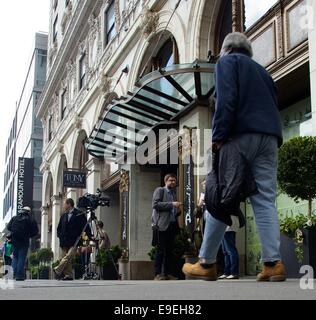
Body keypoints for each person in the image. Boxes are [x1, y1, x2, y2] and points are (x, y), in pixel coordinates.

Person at [183, 32, 286, 282]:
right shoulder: (264, 72)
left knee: (220, 196)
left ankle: (207, 263)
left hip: (239, 137)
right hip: (270, 137)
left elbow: (226, 101)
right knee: (265, 199)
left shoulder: (227, 62)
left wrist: (218, 137)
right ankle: (273, 263)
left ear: (226, 49)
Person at [152, 174, 182, 281]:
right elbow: (156, 205)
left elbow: (172, 211)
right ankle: (158, 274)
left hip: (172, 225)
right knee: (160, 250)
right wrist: (172, 204)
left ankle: (168, 273)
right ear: (166, 181)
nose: (173, 182)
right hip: (161, 225)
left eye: (174, 181)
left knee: (170, 251)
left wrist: (178, 210)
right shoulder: (160, 190)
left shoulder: (173, 194)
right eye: (171, 180)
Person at [53, 198, 92, 281]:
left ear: (69, 204)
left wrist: (90, 235)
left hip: (75, 240)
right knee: (67, 259)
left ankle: (58, 269)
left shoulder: (79, 214)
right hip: (64, 241)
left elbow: (86, 225)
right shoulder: (63, 215)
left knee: (68, 256)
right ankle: (69, 275)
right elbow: (59, 228)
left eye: (64, 204)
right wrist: (59, 235)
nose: (63, 206)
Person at [7, 207, 39, 281]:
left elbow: (9, 227)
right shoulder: (31, 219)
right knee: (22, 257)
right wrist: (29, 235)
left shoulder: (15, 218)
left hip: (15, 240)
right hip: (24, 241)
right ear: (29, 212)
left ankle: (12, 274)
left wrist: (15, 233)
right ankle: (19, 276)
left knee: (15, 257)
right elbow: (36, 231)